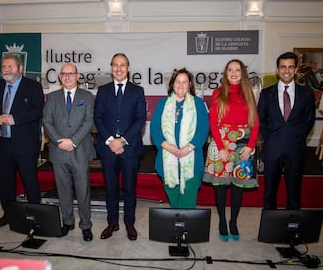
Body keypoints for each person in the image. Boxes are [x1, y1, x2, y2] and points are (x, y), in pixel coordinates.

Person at [0, 54, 44, 227]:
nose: (6, 70)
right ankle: (8, 215)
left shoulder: (33, 86)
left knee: (30, 182)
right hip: (2, 144)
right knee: (4, 183)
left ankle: (36, 217)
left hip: (25, 146)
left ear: (20, 68)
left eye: (10, 66)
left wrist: (15, 119)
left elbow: (39, 110)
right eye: (3, 67)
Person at [203, 59, 259, 242]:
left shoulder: (248, 93)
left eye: (237, 70)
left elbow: (256, 122)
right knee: (220, 186)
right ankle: (221, 221)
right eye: (230, 70)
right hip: (222, 142)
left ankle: (233, 221)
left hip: (243, 144)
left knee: (238, 187)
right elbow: (212, 122)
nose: (234, 73)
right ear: (225, 73)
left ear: (242, 73)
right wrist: (220, 147)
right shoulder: (218, 92)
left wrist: (251, 146)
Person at [94, 53, 146, 241]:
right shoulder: (103, 90)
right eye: (115, 65)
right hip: (107, 149)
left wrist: (122, 140)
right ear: (111, 68)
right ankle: (112, 222)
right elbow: (97, 118)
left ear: (128, 68)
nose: (119, 68)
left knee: (130, 188)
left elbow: (140, 119)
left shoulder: (137, 91)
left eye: (122, 65)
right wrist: (111, 140)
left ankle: (129, 223)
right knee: (111, 188)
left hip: (129, 149)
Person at [43, 63, 95, 241]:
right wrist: (59, 141)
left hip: (79, 150)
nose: (67, 77)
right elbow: (47, 122)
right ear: (59, 77)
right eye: (63, 74)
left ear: (77, 76)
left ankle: (86, 225)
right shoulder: (52, 97)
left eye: (70, 74)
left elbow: (88, 122)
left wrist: (72, 141)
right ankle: (67, 222)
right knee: (63, 190)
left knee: (83, 190)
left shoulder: (86, 96)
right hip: (59, 151)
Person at [258, 51, 315, 210]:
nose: (286, 70)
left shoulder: (307, 93)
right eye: (283, 67)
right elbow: (261, 119)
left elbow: (309, 120)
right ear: (278, 69)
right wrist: (269, 139)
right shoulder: (266, 93)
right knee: (269, 193)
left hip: (295, 148)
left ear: (296, 69)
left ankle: (292, 229)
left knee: (294, 193)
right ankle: (270, 230)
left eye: (290, 67)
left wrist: (297, 136)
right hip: (272, 149)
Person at [150, 68, 209, 208]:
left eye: (185, 82)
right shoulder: (162, 103)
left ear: (190, 85)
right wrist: (169, 148)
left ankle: (187, 227)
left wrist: (188, 148)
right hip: (167, 159)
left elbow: (203, 129)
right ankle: (177, 225)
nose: (181, 85)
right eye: (178, 81)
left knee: (188, 201)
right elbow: (155, 129)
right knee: (173, 197)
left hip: (191, 159)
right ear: (172, 84)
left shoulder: (198, 104)